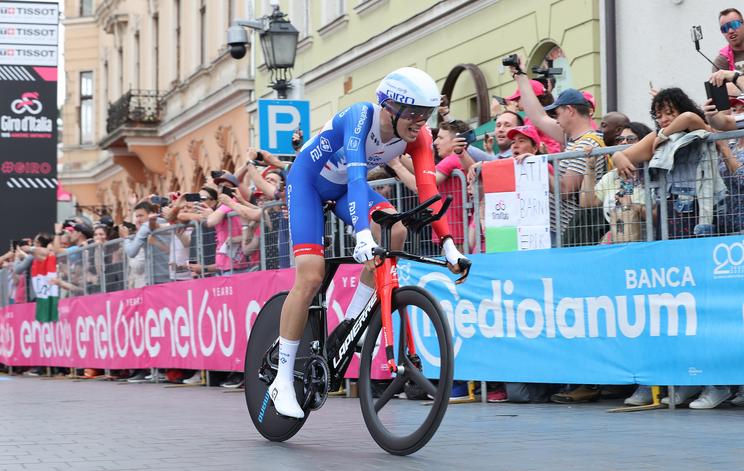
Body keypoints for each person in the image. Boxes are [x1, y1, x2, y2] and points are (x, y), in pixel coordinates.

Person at [270, 67, 469, 419]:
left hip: (345, 186)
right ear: (389, 107)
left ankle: (351, 324)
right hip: (309, 184)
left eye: (426, 115)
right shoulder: (361, 116)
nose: (420, 122)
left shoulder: (418, 137)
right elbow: (360, 176)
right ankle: (282, 380)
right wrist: (362, 234)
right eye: (412, 113)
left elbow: (430, 194)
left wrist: (449, 246)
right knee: (311, 275)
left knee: (396, 231)